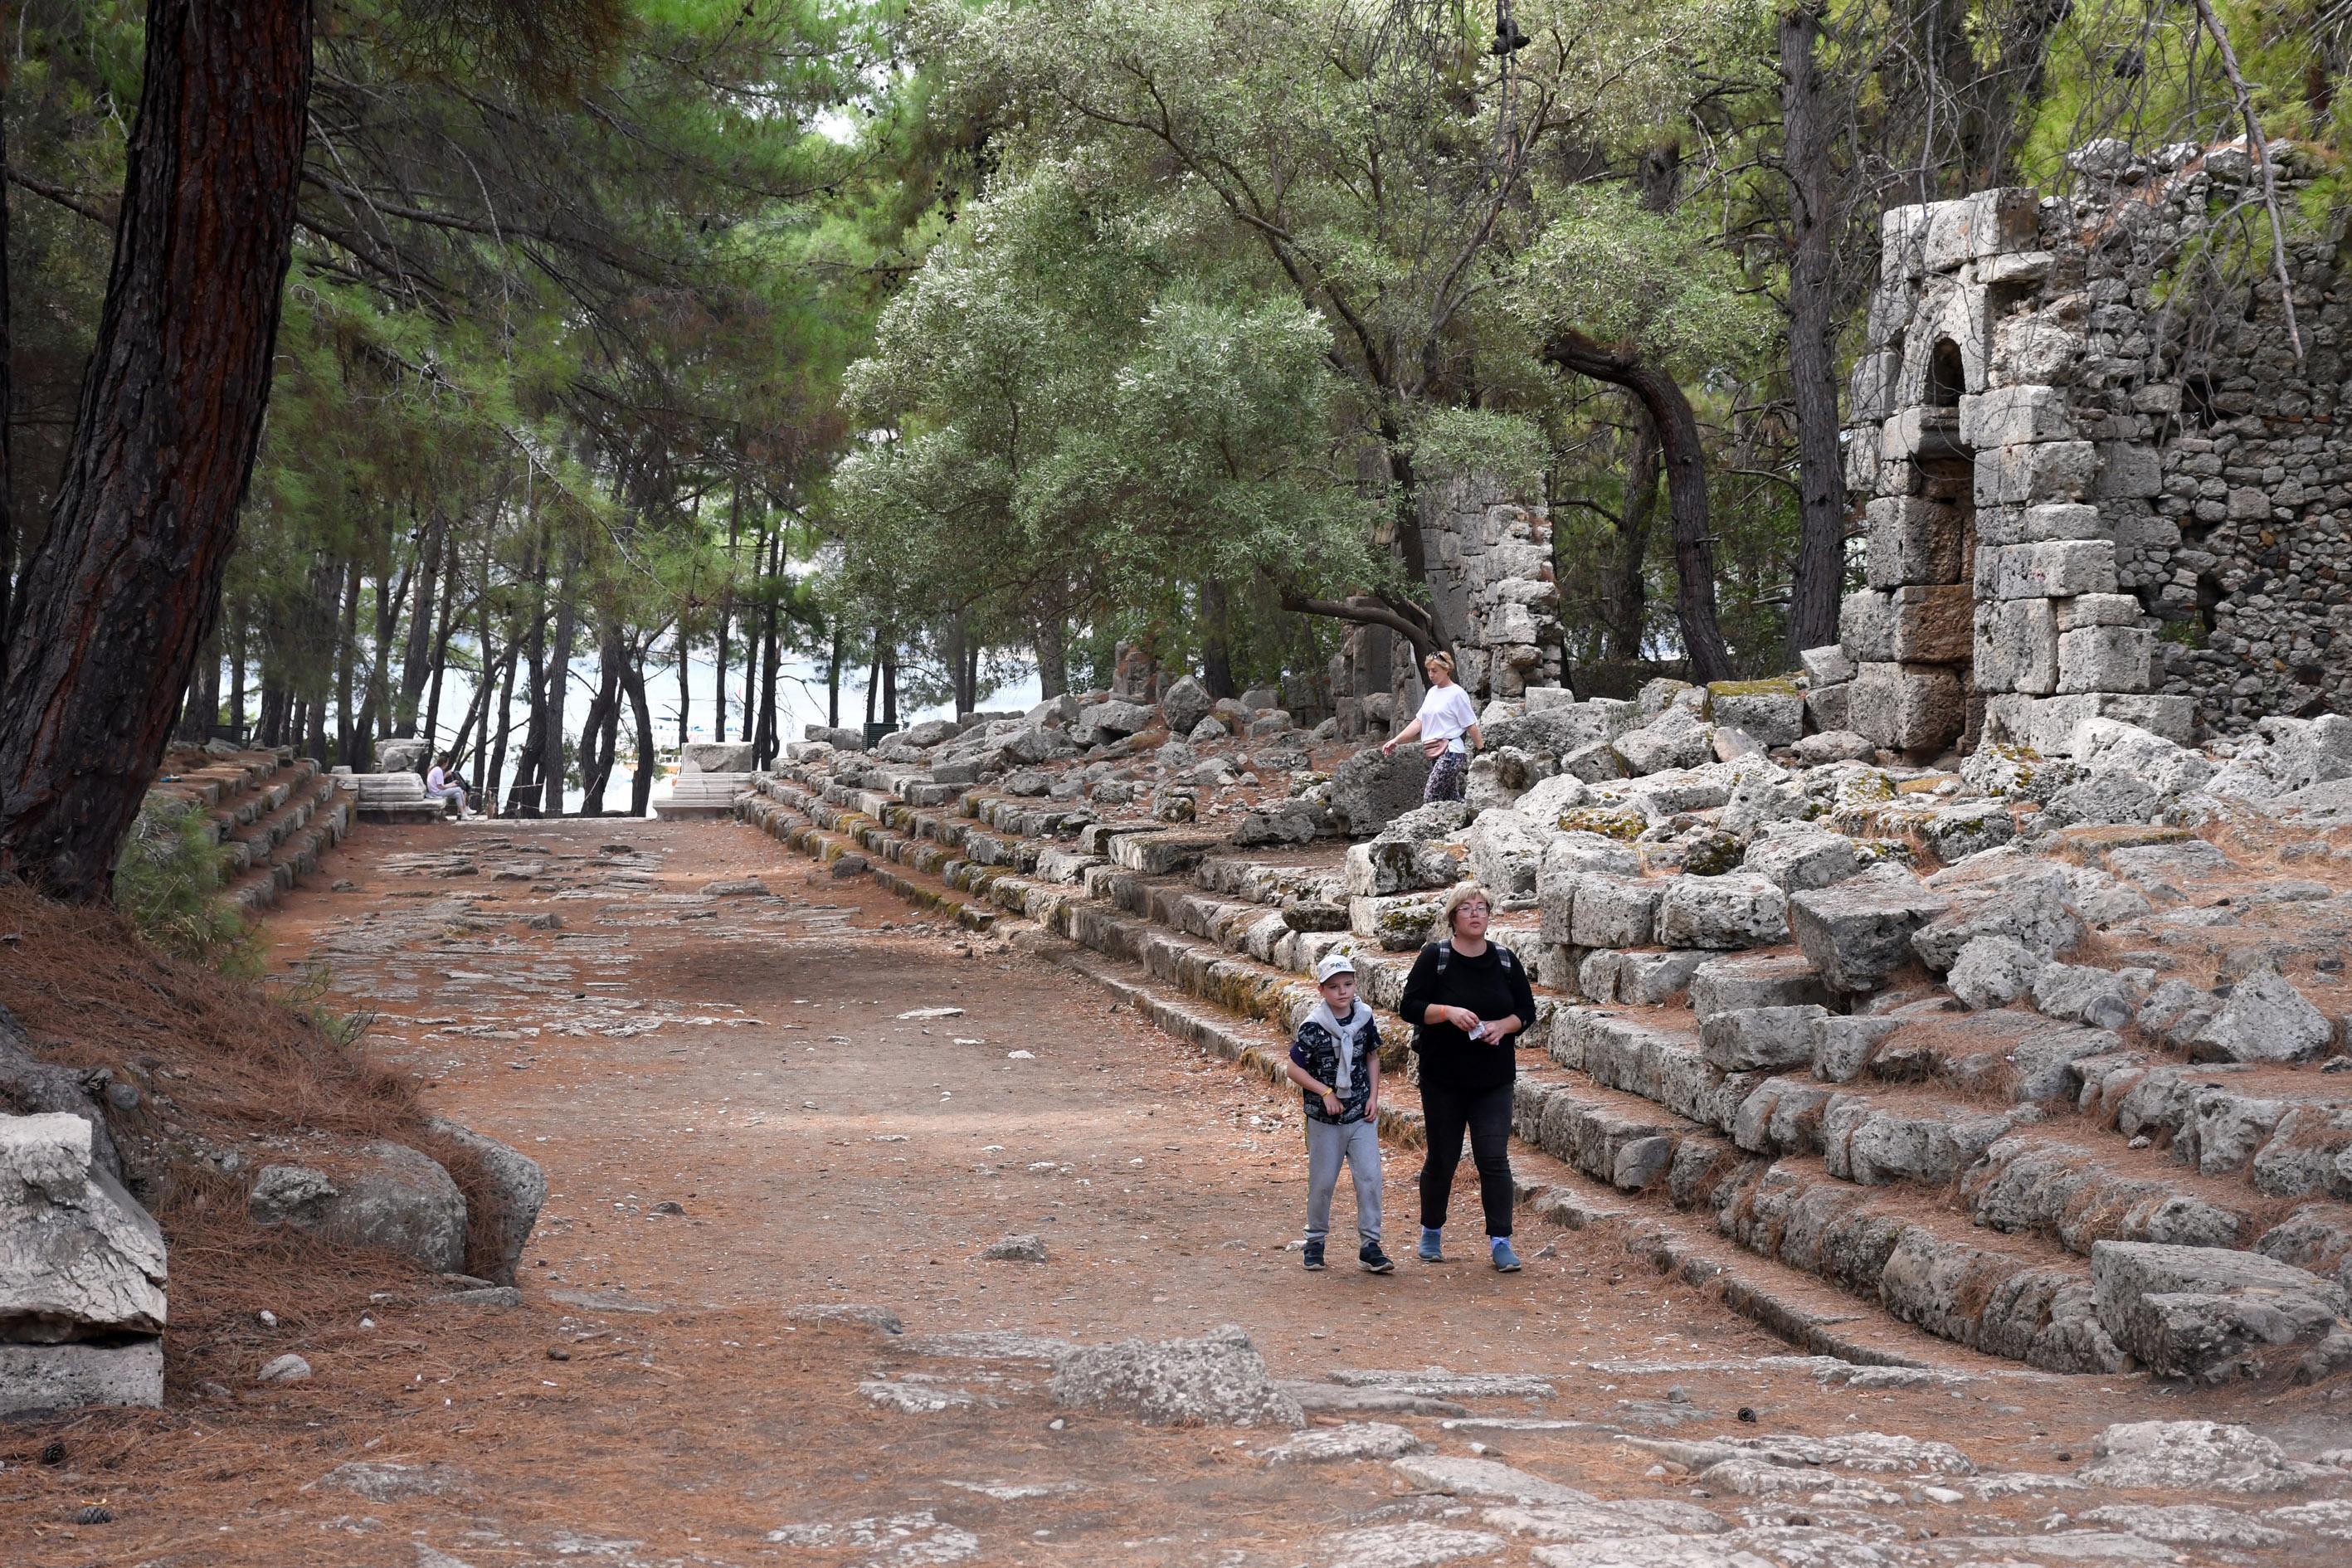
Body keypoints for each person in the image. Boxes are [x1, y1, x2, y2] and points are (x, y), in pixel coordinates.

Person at [1398, 883, 1535, 1272]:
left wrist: (1503, 1027)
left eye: (1482, 908)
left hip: (1493, 1079)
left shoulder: (1506, 960)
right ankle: (1431, 1232)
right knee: (1443, 1158)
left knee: (1494, 1160)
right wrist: (1447, 1013)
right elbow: (1410, 1006)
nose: (1476, 914)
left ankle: (1501, 1241)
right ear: (1453, 918)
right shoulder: (1434, 957)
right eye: (1467, 908)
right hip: (1443, 1078)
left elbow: (1526, 1011)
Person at [1283, 952, 1393, 1274]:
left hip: (1361, 1114)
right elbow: (1293, 1068)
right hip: (1324, 1118)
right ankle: (1315, 1241)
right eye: (1334, 987)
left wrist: (1374, 1096)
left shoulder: (1364, 1018)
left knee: (1370, 1177)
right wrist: (1325, 1092)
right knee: (1323, 1182)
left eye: (1347, 984)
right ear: (1321, 990)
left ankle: (1370, 1245)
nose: (1342, 992)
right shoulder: (1314, 1027)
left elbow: (1371, 1056)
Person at [1381, 650, 1481, 804]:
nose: (1431, 674)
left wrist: (1482, 750)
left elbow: (1471, 725)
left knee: (1431, 797)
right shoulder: (1432, 693)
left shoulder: (1457, 694)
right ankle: (1467, 819)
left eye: (1435, 671)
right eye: (1429, 671)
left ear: (1446, 669)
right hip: (1433, 751)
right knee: (1450, 798)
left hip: (1451, 752)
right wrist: (1396, 740)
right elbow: (1419, 722)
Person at [424, 752, 475, 821]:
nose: (447, 765)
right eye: (447, 763)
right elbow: (440, 787)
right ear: (444, 763)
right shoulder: (438, 771)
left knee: (457, 794)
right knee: (459, 789)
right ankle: (466, 808)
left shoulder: (436, 769)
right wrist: (451, 785)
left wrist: (451, 784)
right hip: (436, 793)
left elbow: (441, 785)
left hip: (436, 791)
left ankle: (463, 815)